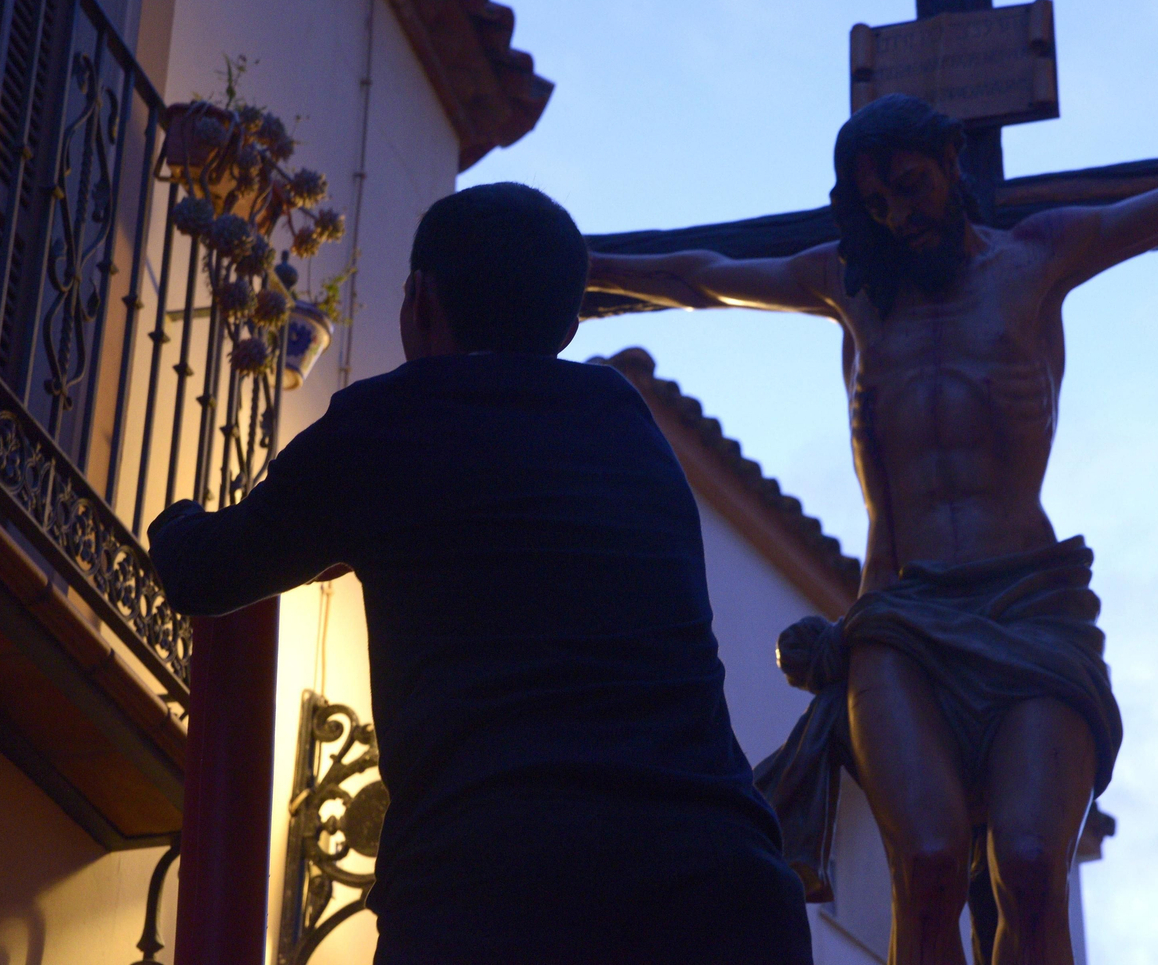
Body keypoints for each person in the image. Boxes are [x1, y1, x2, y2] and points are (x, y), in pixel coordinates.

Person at [588, 82, 1158, 965]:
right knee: (926, 865)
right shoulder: (847, 289)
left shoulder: (1041, 255)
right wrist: (574, 266)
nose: (897, 216)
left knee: (1034, 867)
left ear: (951, 166)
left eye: (911, 186)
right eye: (875, 202)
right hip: (899, 618)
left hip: (1030, 607)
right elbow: (694, 275)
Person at [148, 182, 814, 965]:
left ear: (419, 299)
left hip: (497, 881)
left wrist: (176, 519)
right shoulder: (620, 419)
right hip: (723, 883)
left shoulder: (388, 422)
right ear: (569, 323)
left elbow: (206, 572)